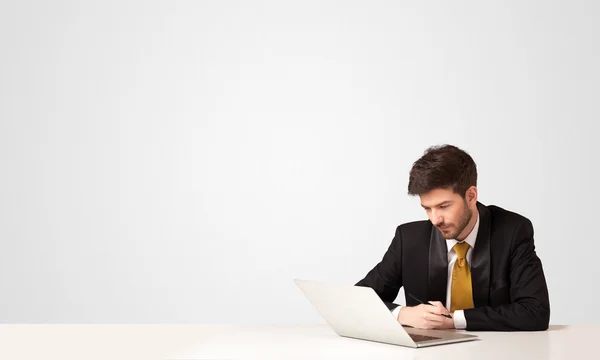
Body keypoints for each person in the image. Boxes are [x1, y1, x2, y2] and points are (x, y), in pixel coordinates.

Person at [355, 144, 550, 331]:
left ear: (471, 196)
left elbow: (535, 312)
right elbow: (357, 300)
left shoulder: (513, 232)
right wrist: (402, 314)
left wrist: (453, 320)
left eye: (444, 206)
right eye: (427, 208)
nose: (435, 219)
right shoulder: (409, 240)